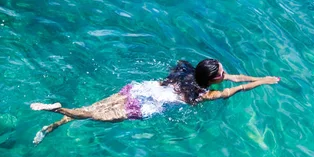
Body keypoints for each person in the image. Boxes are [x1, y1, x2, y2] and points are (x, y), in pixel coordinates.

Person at [30, 59, 280, 144]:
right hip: (141, 107)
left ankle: (52, 126)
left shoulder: (189, 72)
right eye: (222, 74)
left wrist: (260, 76)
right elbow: (238, 88)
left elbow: (235, 77)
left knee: (91, 108)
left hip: (137, 90)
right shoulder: (205, 94)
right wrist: (262, 83)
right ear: (212, 80)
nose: (226, 76)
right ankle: (59, 109)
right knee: (93, 115)